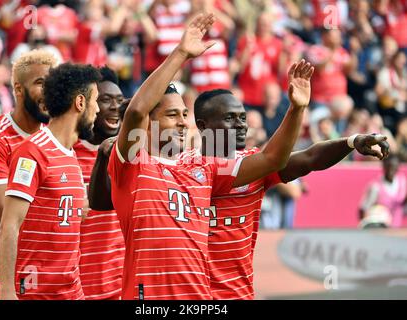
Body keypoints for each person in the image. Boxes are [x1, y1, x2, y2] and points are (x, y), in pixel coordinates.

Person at [100, 13, 313, 300]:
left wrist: (295, 110)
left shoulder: (203, 167)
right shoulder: (132, 162)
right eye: (171, 114)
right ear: (147, 124)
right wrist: (181, 54)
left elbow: (272, 160)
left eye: (184, 115)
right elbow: (137, 110)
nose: (181, 122)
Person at [193, 89, 390, 300]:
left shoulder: (255, 165)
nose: (241, 125)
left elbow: (310, 157)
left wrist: (351, 141)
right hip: (188, 295)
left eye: (242, 117)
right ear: (203, 126)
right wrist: (297, 109)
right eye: (229, 118)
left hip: (236, 294)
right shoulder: (183, 168)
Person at [0, 63, 101, 300]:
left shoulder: (70, 154)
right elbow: (9, 225)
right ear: (80, 103)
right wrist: (6, 291)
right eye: (95, 100)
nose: (97, 110)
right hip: (37, 292)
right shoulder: (33, 152)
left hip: (72, 290)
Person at [0, 50, 58, 300]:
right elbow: (1, 217)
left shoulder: (55, 136)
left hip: (41, 271)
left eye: (53, 84)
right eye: (40, 83)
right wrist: (62, 214)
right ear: (18, 89)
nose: (49, 92)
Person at [74, 66, 125, 300]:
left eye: (119, 100)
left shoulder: (130, 156)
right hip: (76, 285)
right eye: (105, 100)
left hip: (120, 284)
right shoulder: (65, 153)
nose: (115, 107)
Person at [360, 153, 406, 228]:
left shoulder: (402, 182)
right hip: (381, 231)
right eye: (389, 167)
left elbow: (403, 206)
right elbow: (363, 208)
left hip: (397, 229)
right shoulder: (375, 186)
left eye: (394, 167)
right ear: (384, 166)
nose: (391, 170)